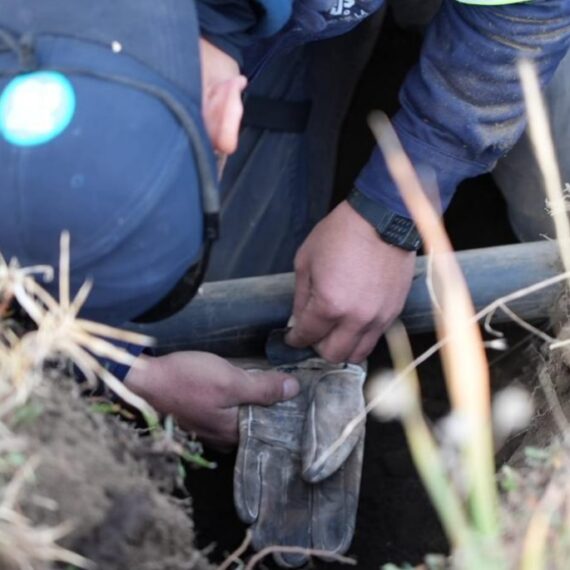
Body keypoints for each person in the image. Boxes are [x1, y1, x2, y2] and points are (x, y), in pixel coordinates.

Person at [1, 0, 570, 451]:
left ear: (227, 114)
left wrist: (394, 209)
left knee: (555, 193)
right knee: (228, 288)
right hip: (277, 29)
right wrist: (126, 374)